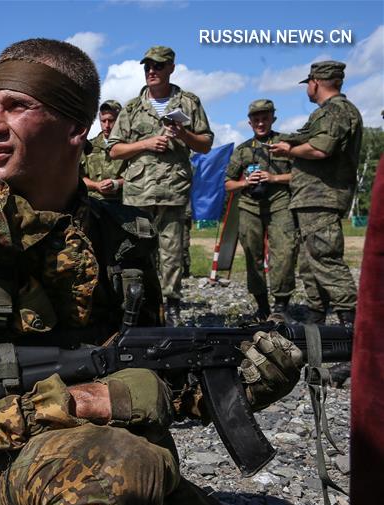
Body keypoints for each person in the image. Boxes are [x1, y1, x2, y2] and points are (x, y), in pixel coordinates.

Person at [0, 38, 319, 505]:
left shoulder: (123, 237)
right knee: (115, 477)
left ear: (78, 130)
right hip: (0, 481)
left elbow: (157, 378)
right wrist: (80, 402)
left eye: (16, 106)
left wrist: (244, 384)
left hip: (130, 476)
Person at [107, 46, 213, 326]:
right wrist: (146, 143)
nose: (151, 71)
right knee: (135, 252)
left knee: (172, 253)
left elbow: (205, 144)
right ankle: (138, 306)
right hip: (138, 192)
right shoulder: (131, 107)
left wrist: (184, 133)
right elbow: (114, 150)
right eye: (147, 67)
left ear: (171, 68)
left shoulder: (188, 102)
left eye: (158, 66)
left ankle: (173, 308)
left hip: (172, 190)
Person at [269, 61, 362, 329]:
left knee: (326, 260)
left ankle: (353, 331)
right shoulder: (330, 112)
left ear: (316, 82)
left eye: (308, 83)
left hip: (322, 197)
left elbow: (321, 149)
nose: (307, 88)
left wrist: (288, 150)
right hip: (311, 198)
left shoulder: (336, 111)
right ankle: (317, 325)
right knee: (311, 266)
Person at [225, 99, 296, 319]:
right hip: (250, 206)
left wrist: (274, 177)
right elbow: (228, 183)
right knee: (252, 256)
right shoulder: (243, 150)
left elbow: (301, 175)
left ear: (273, 118)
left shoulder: (285, 143)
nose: (261, 123)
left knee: (284, 253)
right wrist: (246, 182)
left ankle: (281, 305)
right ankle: (262, 305)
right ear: (250, 122)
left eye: (265, 118)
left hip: (280, 203)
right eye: (256, 119)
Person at [81, 99, 125, 202]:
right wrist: (96, 185)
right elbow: (78, 177)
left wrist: (117, 184)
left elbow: (139, 178)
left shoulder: (129, 146)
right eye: (103, 121)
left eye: (111, 120)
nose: (107, 125)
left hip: (123, 203)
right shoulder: (88, 146)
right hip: (94, 203)